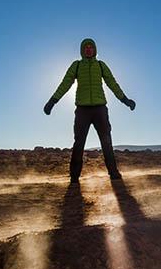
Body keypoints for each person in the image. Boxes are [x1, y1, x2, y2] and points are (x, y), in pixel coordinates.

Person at [43, 38, 136, 183]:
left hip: (100, 109)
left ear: (95, 50)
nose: (88, 49)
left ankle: (113, 173)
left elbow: (112, 83)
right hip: (82, 110)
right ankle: (74, 177)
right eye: (85, 47)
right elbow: (65, 83)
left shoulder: (101, 65)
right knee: (79, 143)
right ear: (82, 50)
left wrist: (125, 100)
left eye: (90, 47)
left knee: (106, 142)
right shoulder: (77, 66)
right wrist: (52, 101)